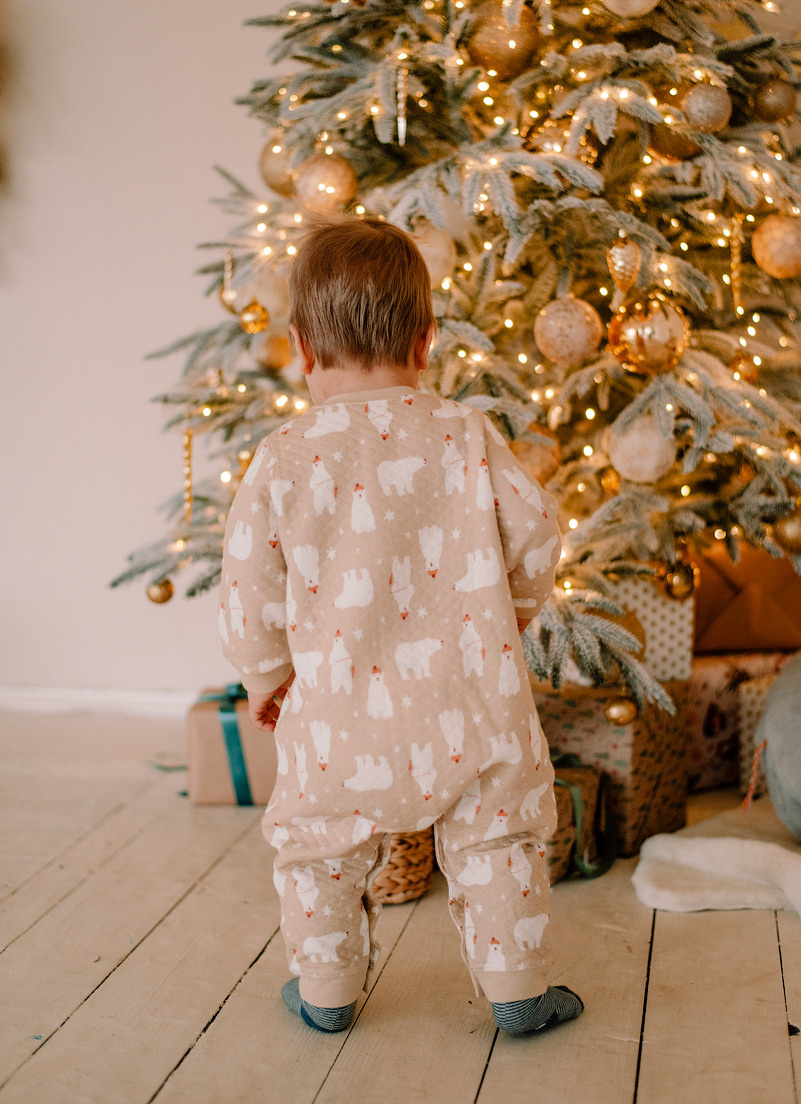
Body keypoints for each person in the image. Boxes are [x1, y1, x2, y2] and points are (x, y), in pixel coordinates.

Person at [219, 217, 582, 1036]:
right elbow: (535, 534)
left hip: (339, 712)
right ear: (424, 344)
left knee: (316, 848)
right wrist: (512, 616)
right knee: (499, 839)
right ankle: (517, 990)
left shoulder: (284, 453)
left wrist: (267, 679)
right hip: (474, 699)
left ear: (302, 349)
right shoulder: (465, 433)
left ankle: (326, 992)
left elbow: (247, 588)